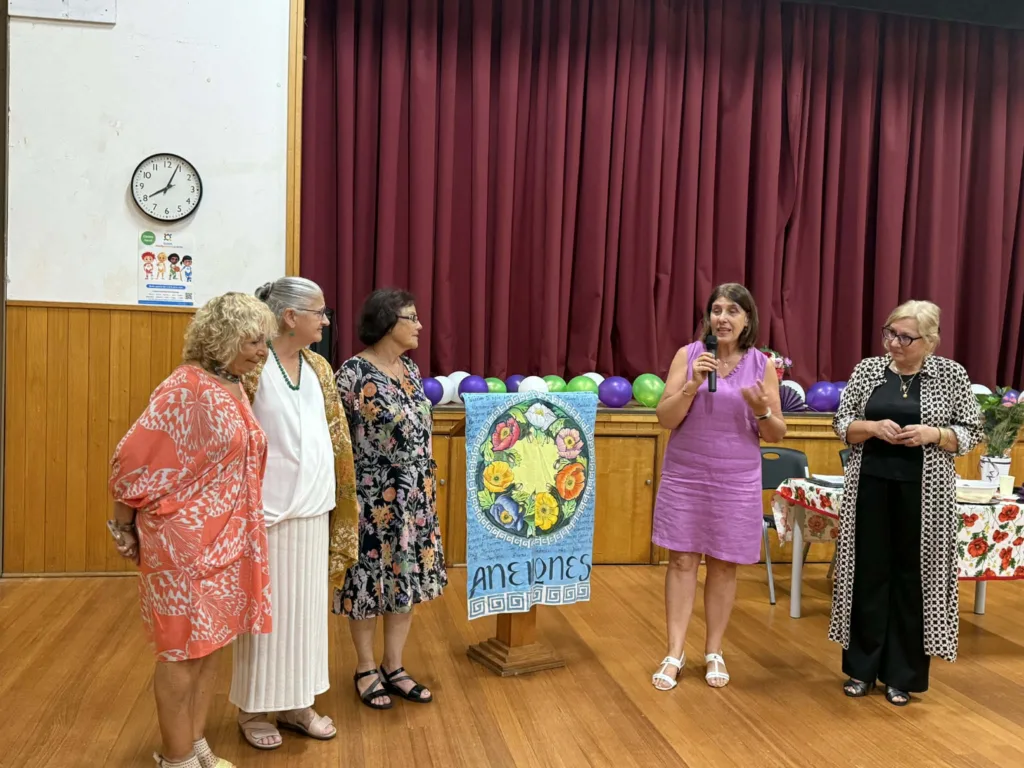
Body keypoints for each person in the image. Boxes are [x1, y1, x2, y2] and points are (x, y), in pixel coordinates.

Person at [108, 293, 279, 768]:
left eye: (264, 340)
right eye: (252, 341)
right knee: (181, 652)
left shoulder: (234, 384)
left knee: (208, 646)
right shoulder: (186, 388)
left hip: (227, 539)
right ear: (221, 339)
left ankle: (196, 741)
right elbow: (129, 458)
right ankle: (176, 757)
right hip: (184, 543)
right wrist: (122, 526)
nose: (262, 350)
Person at [830, 300, 983, 706]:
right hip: (869, 489)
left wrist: (934, 435)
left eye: (904, 337)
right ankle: (861, 670)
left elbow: (970, 432)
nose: (893, 343)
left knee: (913, 581)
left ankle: (903, 674)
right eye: (889, 333)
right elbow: (841, 424)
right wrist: (871, 427)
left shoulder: (951, 375)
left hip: (926, 494)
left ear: (930, 341)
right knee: (868, 575)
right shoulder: (868, 370)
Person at [229, 277, 360, 749]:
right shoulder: (250, 365)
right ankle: (254, 709)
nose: (326, 320)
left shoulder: (319, 366)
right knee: (267, 616)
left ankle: (298, 702)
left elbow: (334, 435)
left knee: (305, 615)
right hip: (266, 514)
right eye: (319, 312)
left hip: (314, 509)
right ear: (290, 317)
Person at [649, 283, 787, 691]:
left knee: (724, 564)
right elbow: (666, 418)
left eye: (732, 311)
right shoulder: (689, 356)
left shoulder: (763, 365)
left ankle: (714, 650)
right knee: (681, 562)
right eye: (716, 310)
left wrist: (762, 410)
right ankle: (675, 651)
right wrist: (692, 384)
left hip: (736, 478)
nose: (722, 318)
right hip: (686, 474)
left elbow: (777, 433)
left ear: (747, 320)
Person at [335, 288, 447, 709]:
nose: (419, 325)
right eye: (411, 317)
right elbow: (338, 440)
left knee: (405, 580)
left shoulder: (411, 370)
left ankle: (393, 666)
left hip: (414, 498)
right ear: (386, 322)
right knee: (366, 581)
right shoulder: (352, 374)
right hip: (370, 498)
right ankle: (365, 668)